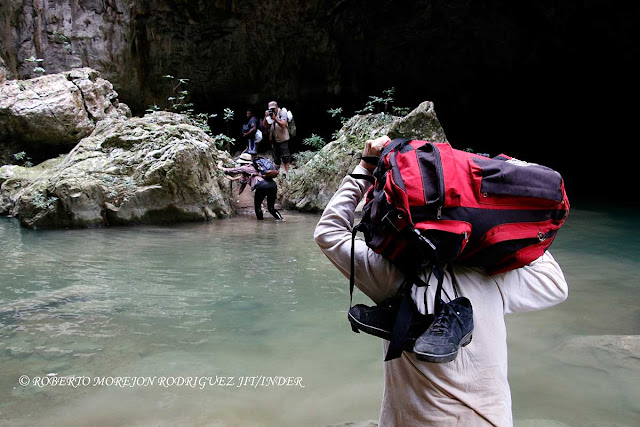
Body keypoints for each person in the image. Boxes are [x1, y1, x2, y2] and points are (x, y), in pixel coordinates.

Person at [314, 135, 569, 426]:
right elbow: (556, 286)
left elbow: (329, 233)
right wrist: (515, 228)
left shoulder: (388, 273)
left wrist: (364, 168)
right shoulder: (494, 275)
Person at [219, 152, 283, 221]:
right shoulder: (260, 167)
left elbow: (233, 171)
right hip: (273, 186)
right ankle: (281, 220)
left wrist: (220, 167)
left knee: (257, 207)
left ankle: (260, 223)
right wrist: (239, 193)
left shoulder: (245, 167)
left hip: (261, 186)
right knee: (271, 208)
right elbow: (243, 183)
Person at [263, 100, 291, 177]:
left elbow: (283, 125)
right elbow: (264, 125)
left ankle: (287, 172)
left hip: (283, 138)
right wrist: (266, 117)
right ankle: (277, 173)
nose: (272, 110)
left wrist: (275, 118)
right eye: (270, 109)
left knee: (285, 156)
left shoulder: (282, 113)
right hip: (274, 139)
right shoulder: (270, 114)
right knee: (276, 157)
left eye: (273, 108)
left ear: (277, 107)